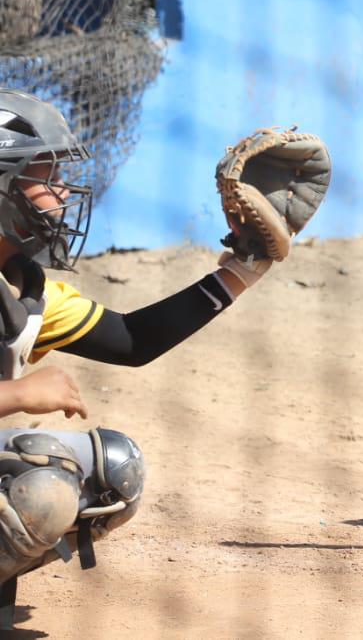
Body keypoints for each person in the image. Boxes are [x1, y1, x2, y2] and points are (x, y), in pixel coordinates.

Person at [0, 89, 280, 618]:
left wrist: (243, 267)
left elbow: (132, 340)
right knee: (43, 487)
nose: (64, 191)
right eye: (46, 176)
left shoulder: (23, 290)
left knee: (111, 474)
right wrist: (17, 392)